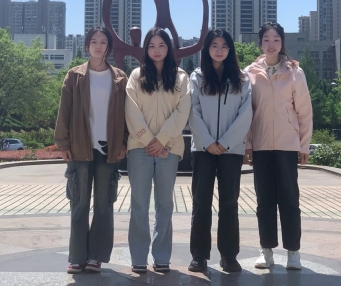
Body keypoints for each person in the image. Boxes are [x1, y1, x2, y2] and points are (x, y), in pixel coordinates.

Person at [54, 27, 128, 274]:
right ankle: (77, 257)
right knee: (79, 203)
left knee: (104, 204)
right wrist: (63, 144)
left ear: (109, 47)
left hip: (109, 149)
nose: (98, 45)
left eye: (103, 42)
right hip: (80, 147)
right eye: (93, 41)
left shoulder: (119, 78)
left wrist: (124, 141)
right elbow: (64, 111)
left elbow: (127, 114)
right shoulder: (75, 76)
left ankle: (96, 256)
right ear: (87, 46)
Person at [244, 22, 313, 271]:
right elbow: (247, 112)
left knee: (289, 199)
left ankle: (293, 252)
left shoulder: (295, 72)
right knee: (264, 200)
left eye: (275, 39)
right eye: (266, 39)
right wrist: (248, 143)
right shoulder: (249, 73)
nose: (271, 44)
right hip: (261, 145)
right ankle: (266, 251)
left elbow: (304, 111)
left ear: (282, 42)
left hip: (287, 145)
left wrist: (304, 145)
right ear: (260, 43)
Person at [125, 27, 191, 274]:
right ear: (146, 49)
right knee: (139, 205)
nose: (156, 50)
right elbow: (131, 111)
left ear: (168, 48)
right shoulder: (136, 76)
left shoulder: (181, 78)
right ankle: (138, 257)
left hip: (169, 148)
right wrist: (148, 140)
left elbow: (182, 112)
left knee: (165, 205)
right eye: (151, 45)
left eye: (161, 45)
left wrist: (161, 140)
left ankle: (162, 256)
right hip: (139, 148)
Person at [187, 29, 252, 273]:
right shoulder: (197, 77)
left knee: (229, 202)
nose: (219, 50)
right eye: (214, 45)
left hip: (231, 150)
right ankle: (199, 255)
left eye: (224, 46)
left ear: (230, 50)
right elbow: (192, 111)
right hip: (203, 149)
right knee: (201, 202)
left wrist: (225, 142)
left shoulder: (242, 79)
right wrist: (207, 142)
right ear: (207, 49)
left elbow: (245, 114)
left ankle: (229, 255)